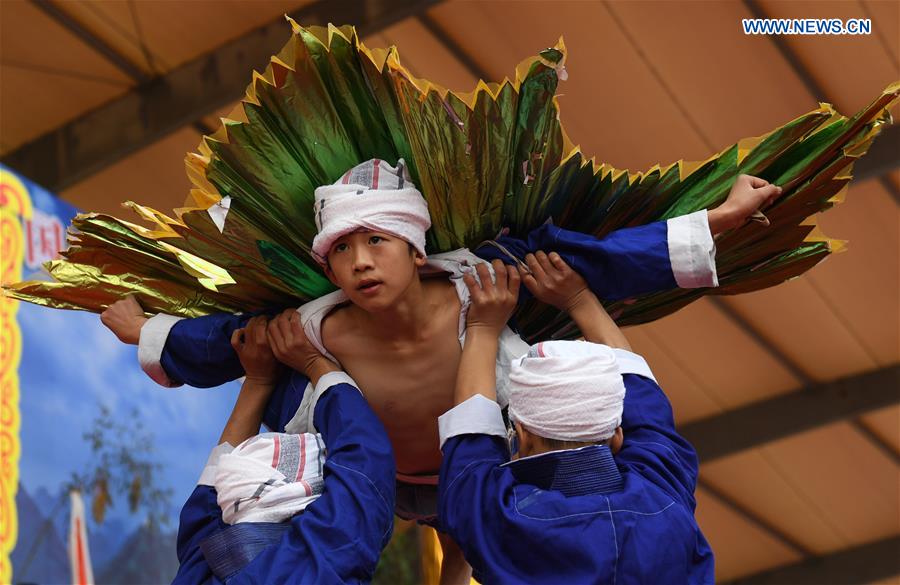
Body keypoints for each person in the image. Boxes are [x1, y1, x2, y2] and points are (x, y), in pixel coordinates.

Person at [101, 159, 774, 583]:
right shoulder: (308, 328)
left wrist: (714, 223)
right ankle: (453, 544)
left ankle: (455, 548)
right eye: (341, 250)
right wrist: (151, 333)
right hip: (379, 488)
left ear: (416, 247)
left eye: (376, 240)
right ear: (326, 265)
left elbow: (590, 259)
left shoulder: (483, 281)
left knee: (461, 531)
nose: (360, 261)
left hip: (498, 478)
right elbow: (228, 341)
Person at [437, 253, 713, 583]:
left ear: (522, 435)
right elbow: (648, 412)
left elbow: (471, 443)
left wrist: (483, 326)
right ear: (617, 437)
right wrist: (580, 299)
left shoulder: (502, 515)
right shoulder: (663, 496)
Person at [175, 315, 395, 584]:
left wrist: (258, 381)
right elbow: (364, 471)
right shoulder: (309, 569)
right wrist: (315, 365)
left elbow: (204, 529)